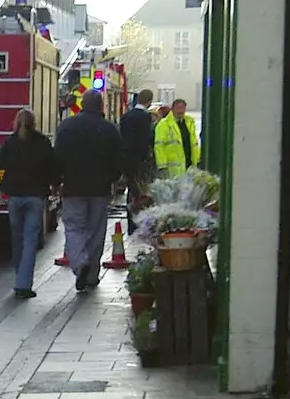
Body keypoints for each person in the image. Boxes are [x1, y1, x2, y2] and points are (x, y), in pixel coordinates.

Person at [54, 89, 123, 293]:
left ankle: (80, 262)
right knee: (96, 231)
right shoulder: (110, 129)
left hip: (73, 187)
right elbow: (118, 159)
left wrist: (57, 181)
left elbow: (57, 156)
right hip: (100, 189)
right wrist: (113, 180)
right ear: (101, 105)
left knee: (74, 228)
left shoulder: (67, 127)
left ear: (82, 104)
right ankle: (92, 274)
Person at [0, 108, 58, 300]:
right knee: (30, 240)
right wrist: (55, 185)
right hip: (35, 196)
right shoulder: (42, 142)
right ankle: (23, 284)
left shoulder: (11, 141)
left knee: (17, 238)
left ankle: (19, 275)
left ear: (17, 122)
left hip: (14, 197)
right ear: (34, 123)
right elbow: (52, 167)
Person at [119, 89, 157, 231]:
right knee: (142, 191)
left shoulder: (126, 116)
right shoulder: (146, 118)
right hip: (141, 161)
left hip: (127, 160)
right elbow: (148, 138)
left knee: (131, 191)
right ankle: (141, 221)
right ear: (149, 101)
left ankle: (130, 223)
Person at [154, 98, 201, 177]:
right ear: (172, 109)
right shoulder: (164, 124)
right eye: (178, 108)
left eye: (183, 108)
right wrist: (162, 166)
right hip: (172, 169)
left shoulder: (189, 123)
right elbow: (159, 146)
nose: (181, 111)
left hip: (189, 166)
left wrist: (197, 160)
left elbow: (194, 144)